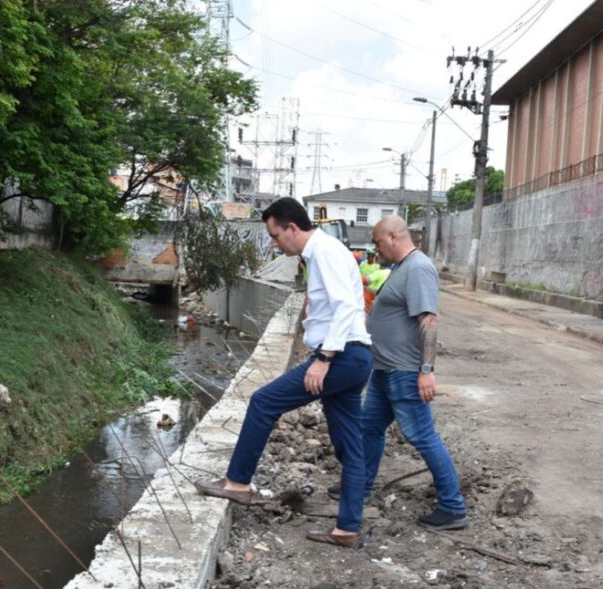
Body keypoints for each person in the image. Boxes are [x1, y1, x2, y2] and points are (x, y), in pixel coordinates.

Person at [194, 197, 373, 549]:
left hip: (342, 357)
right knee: (350, 446)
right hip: (352, 357)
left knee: (263, 402)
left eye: (276, 236)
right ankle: (347, 529)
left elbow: (347, 307)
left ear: (292, 227)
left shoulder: (325, 251)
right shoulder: (321, 253)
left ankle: (238, 484)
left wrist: (323, 358)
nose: (275, 244)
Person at [357, 215, 469, 530]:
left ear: (393, 236)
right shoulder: (401, 268)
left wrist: (426, 370)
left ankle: (453, 507)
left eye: (378, 242)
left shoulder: (418, 268)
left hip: (404, 371)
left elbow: (428, 320)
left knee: (422, 435)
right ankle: (360, 488)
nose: (375, 250)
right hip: (384, 369)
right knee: (370, 428)